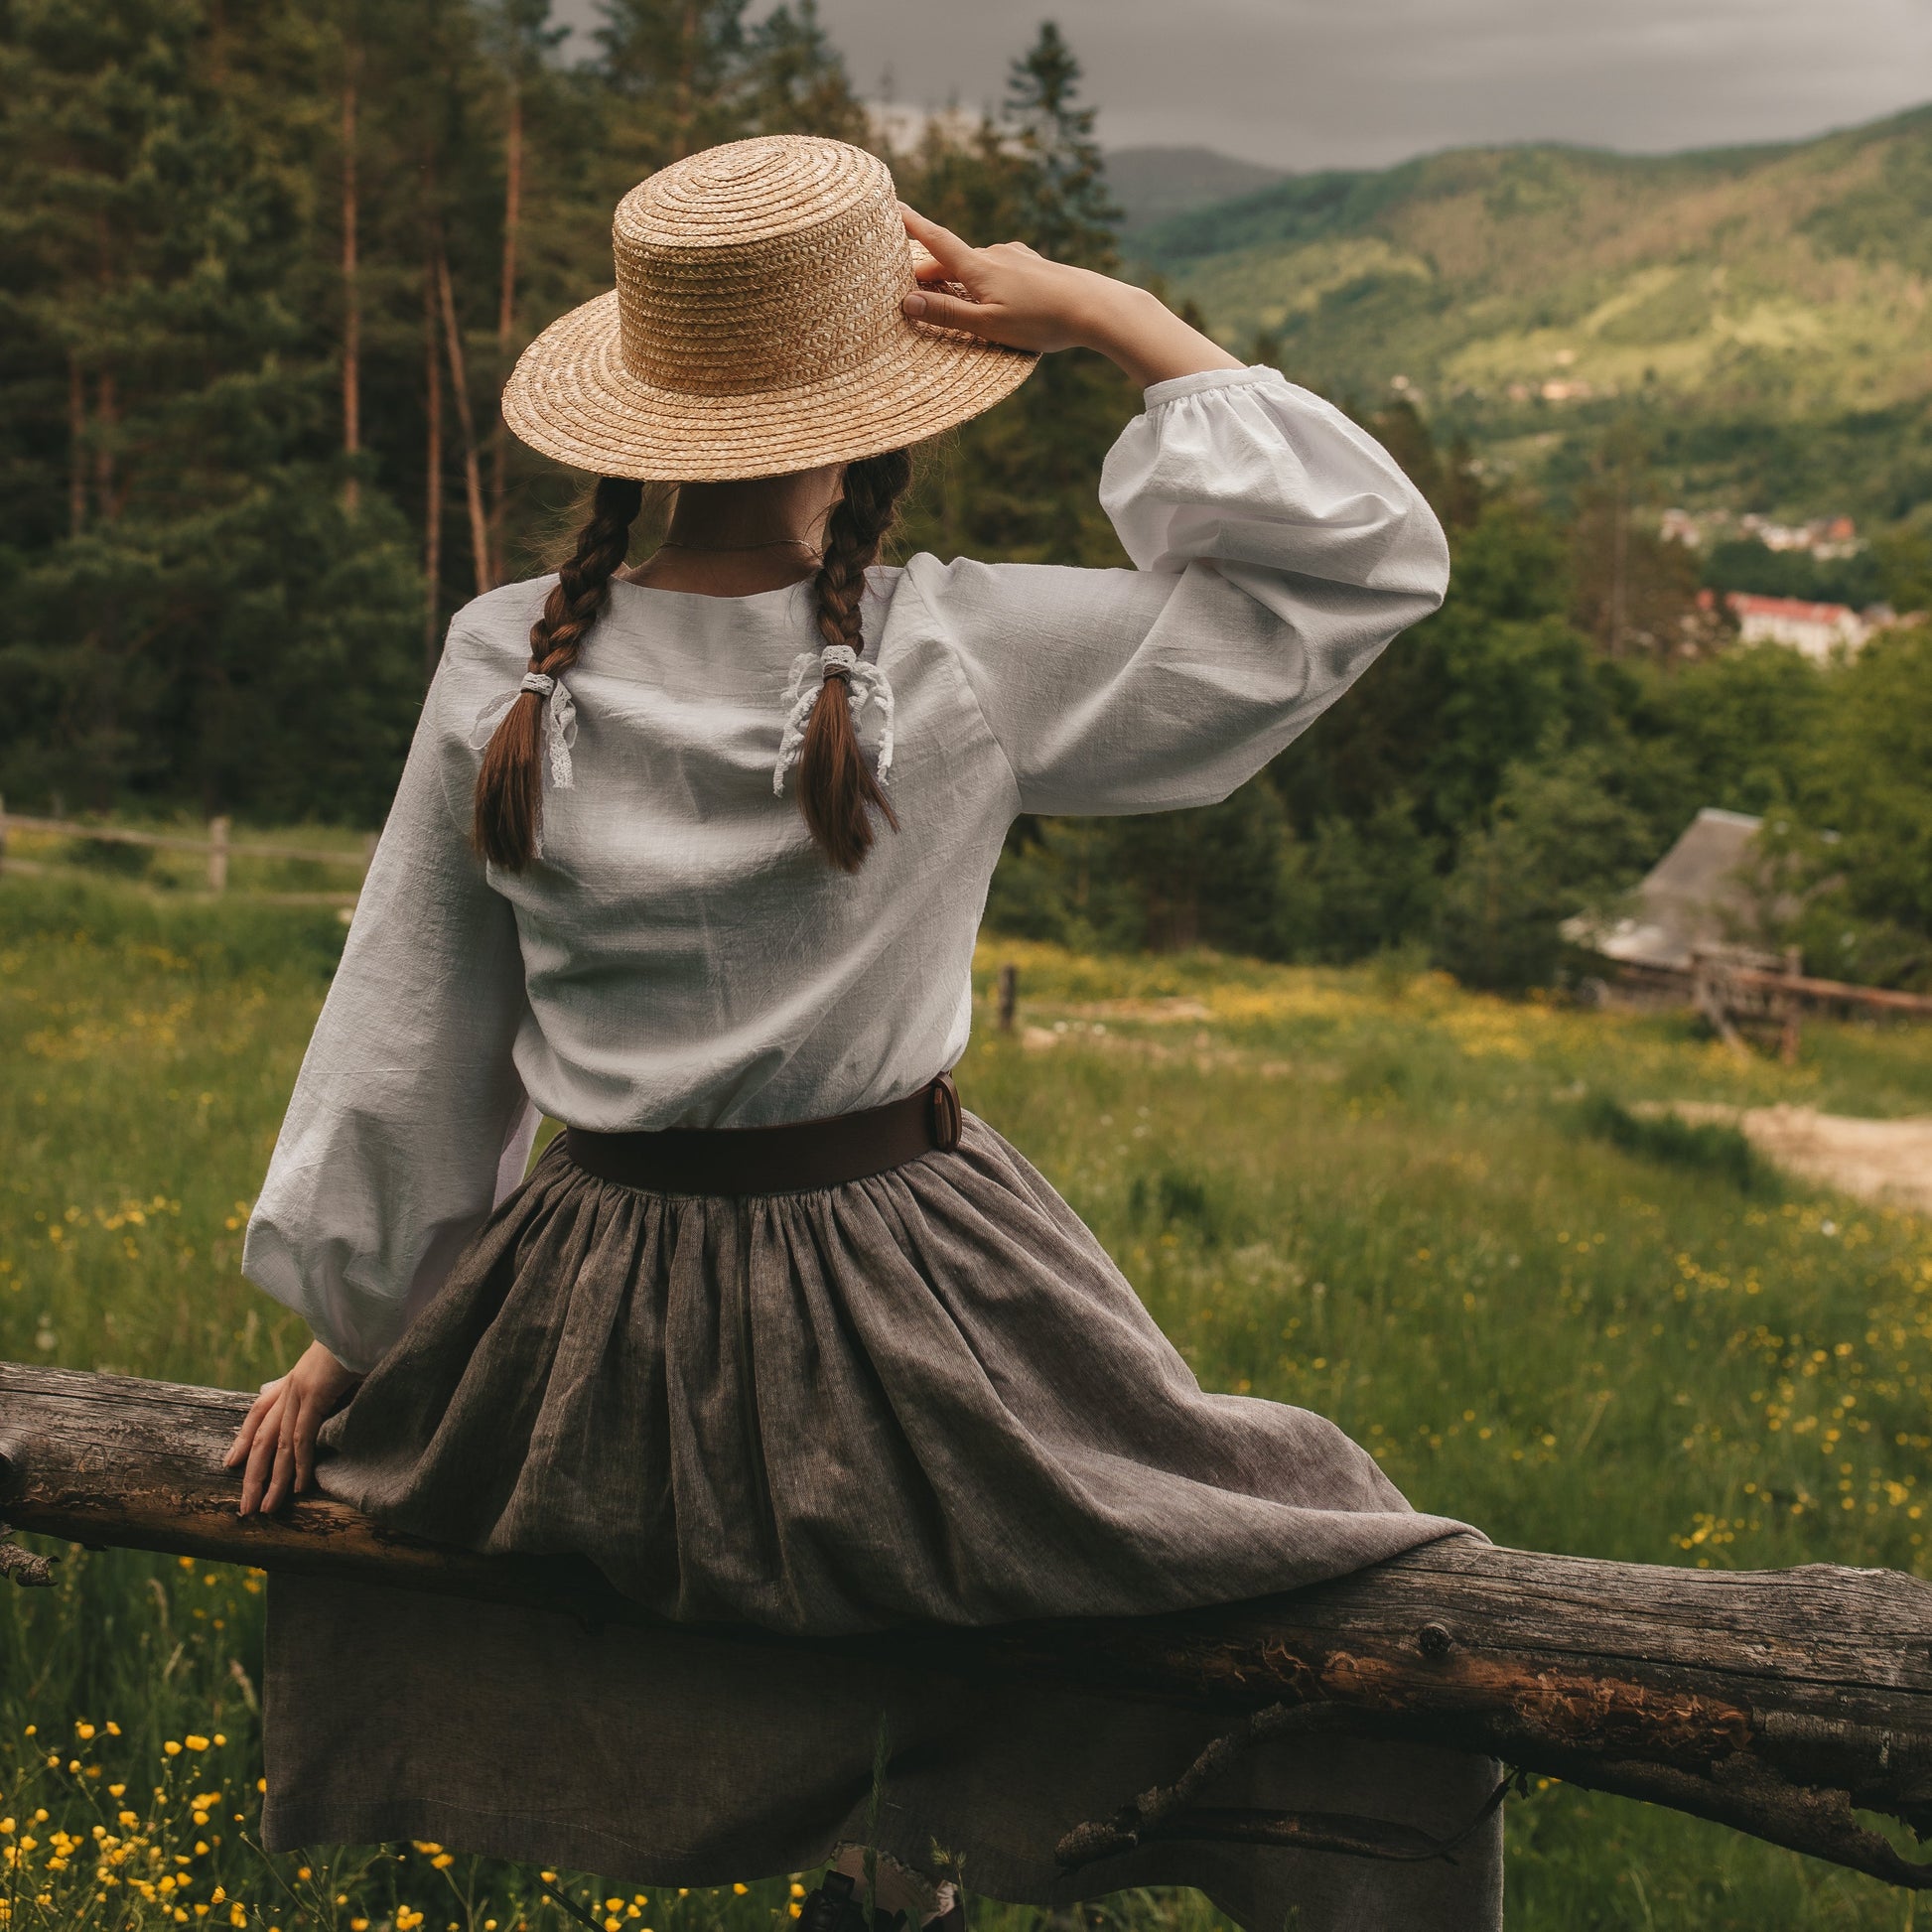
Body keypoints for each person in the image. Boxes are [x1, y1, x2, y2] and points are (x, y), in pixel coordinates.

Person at [226, 135, 1501, 1932]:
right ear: (885, 414)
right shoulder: (957, 650)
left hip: (584, 1329)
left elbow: (409, 1038)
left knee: (800, 1615)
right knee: (1322, 1527)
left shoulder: (504, 657)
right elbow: (1349, 578)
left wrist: (351, 1341)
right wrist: (1110, 317)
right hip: (905, 1297)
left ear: (634, 416)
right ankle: (936, 1872)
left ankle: (875, 1882)